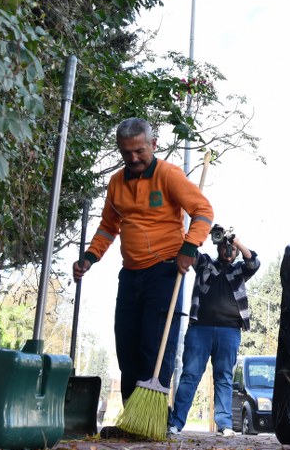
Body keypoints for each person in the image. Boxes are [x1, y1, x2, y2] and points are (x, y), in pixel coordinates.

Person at [74, 118, 214, 404]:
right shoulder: (116, 183)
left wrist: (190, 246)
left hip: (165, 272)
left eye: (140, 150)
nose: (134, 158)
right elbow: (108, 226)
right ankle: (131, 418)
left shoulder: (169, 175)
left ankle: (154, 418)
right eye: (127, 153)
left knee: (155, 346)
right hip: (130, 275)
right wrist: (90, 257)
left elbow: (203, 211)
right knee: (127, 347)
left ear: (153, 144)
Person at [169, 226, 260, 436]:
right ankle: (176, 423)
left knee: (224, 377)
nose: (229, 251)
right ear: (218, 247)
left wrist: (236, 240)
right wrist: (202, 233)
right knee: (190, 375)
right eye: (225, 247)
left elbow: (253, 261)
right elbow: (190, 253)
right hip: (200, 328)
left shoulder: (239, 271)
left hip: (229, 331)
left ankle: (225, 425)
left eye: (232, 249)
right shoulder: (206, 265)